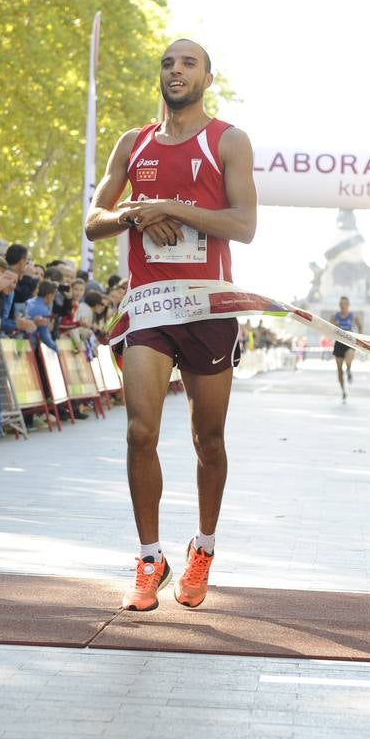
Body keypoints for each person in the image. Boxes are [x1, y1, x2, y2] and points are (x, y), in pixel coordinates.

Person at [84, 38, 257, 612]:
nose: (176, 70)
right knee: (139, 432)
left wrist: (171, 207)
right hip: (150, 307)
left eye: (189, 64)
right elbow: (94, 221)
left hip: (208, 307)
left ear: (209, 78)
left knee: (208, 439)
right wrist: (136, 212)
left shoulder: (228, 140)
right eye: (167, 63)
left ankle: (203, 546)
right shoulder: (133, 143)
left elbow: (243, 224)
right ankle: (150, 556)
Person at [330, 295, 361, 401]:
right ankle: (343, 391)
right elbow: (330, 329)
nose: (342, 306)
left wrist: (359, 339)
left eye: (344, 304)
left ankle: (349, 369)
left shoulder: (352, 317)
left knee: (349, 358)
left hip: (349, 343)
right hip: (338, 344)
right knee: (339, 371)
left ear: (348, 305)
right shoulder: (335, 317)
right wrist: (334, 325)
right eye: (341, 304)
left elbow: (360, 326)